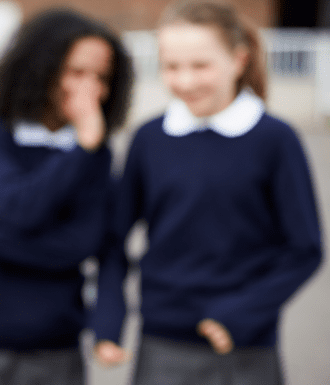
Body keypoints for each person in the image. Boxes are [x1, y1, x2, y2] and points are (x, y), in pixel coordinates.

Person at [91, 1, 323, 383]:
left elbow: (305, 250)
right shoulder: (149, 139)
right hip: (162, 346)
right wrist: (107, 323)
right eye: (172, 66)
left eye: (200, 65)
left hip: (246, 349)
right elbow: (113, 239)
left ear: (239, 59)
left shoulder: (275, 140)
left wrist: (241, 314)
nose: (184, 81)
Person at [0, 7, 133, 385]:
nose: (90, 90)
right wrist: (83, 147)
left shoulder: (96, 153)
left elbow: (79, 245)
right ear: (40, 67)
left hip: (57, 349)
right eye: (76, 73)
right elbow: (17, 209)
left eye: (101, 78)